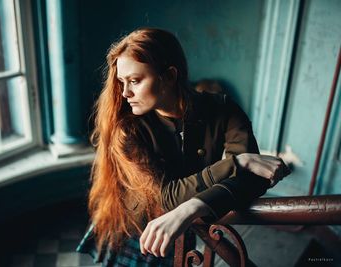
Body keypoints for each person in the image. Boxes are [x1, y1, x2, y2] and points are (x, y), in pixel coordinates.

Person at [82, 28, 290, 266]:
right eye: (122, 82)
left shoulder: (223, 109)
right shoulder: (128, 128)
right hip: (135, 231)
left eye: (135, 81)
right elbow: (167, 197)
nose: (126, 93)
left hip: (183, 225)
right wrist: (238, 163)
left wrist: (193, 207)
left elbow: (254, 178)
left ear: (169, 76)